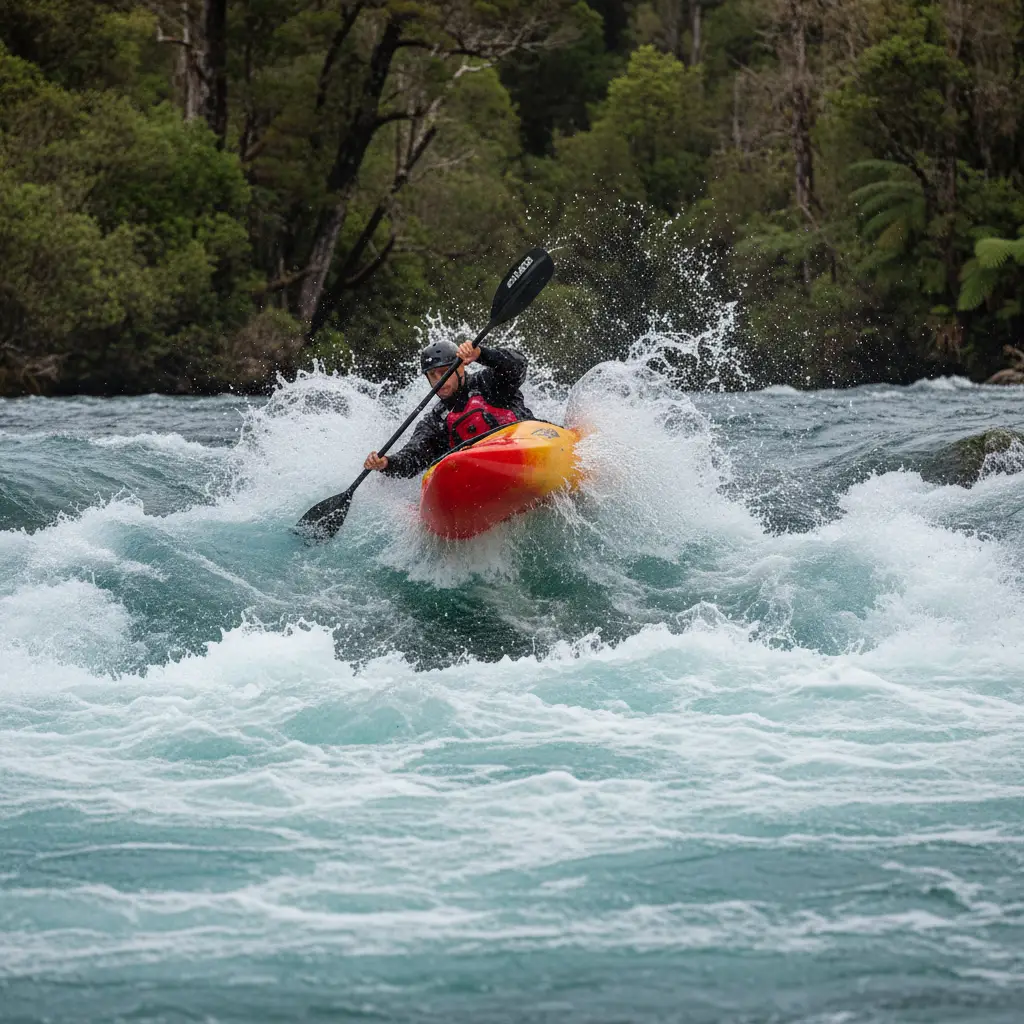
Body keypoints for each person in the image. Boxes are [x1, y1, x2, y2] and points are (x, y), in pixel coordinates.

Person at [364, 339, 534, 478]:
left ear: (461, 367)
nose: (439, 380)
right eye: (432, 375)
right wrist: (386, 463)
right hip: (479, 474)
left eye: (445, 371)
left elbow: (517, 366)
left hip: (522, 451)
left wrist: (481, 353)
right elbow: (414, 457)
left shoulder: (489, 384)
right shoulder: (436, 421)